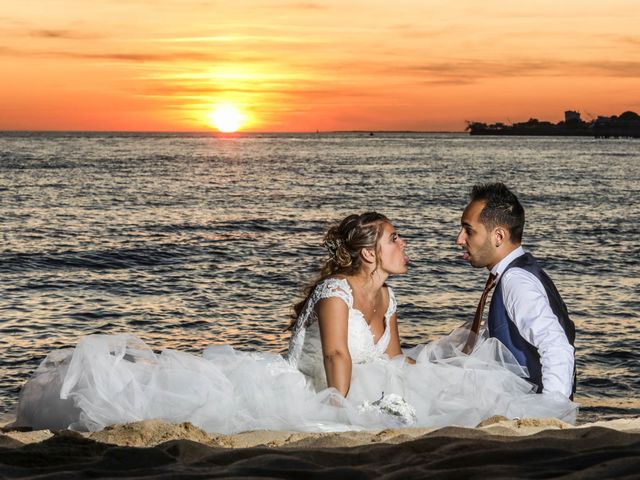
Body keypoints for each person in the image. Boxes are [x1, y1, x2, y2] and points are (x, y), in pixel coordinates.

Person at [14, 212, 577, 435]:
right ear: (367, 255)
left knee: (441, 388)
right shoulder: (336, 291)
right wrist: (345, 410)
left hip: (367, 380)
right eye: (394, 239)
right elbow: (337, 359)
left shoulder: (391, 295)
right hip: (309, 385)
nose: (405, 243)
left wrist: (431, 374)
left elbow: (396, 359)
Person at [456, 183, 576, 399]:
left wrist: (551, 412)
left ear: (499, 236)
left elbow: (556, 346)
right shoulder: (521, 271)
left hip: (530, 408)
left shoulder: (516, 280)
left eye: (468, 231)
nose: (459, 240)